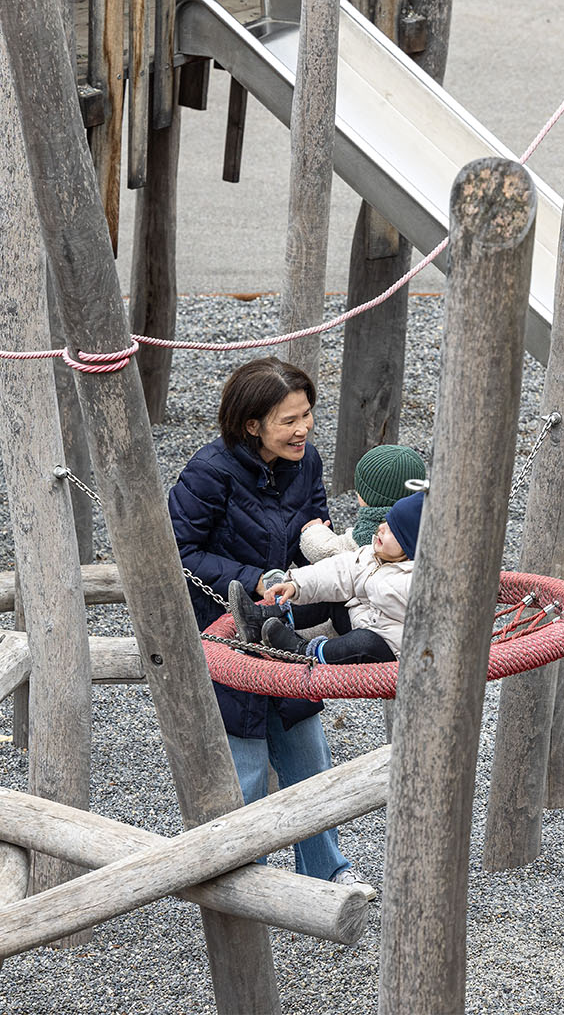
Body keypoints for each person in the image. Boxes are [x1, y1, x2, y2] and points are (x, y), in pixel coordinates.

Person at [168, 356, 367, 888]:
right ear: (251, 424)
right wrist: (255, 577)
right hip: (222, 633)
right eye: (288, 420)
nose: (302, 429)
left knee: (310, 758)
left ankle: (327, 873)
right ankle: (238, 878)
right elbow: (175, 550)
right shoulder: (208, 472)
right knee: (247, 768)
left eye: (306, 416)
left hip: (285, 629)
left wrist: (349, 557)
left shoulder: (307, 462)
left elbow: (313, 533)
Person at [254, 489, 423, 665]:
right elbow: (339, 570)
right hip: (366, 620)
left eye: (392, 530)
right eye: (385, 521)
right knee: (332, 594)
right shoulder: (376, 554)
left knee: (364, 642)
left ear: (411, 548)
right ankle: (265, 618)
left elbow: (377, 587)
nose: (381, 527)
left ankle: (302, 651)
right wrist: (296, 584)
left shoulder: (417, 582)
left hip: (388, 653)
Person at [298, 443, 427, 562]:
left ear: (368, 496)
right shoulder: (418, 527)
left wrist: (312, 531)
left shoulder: (371, 534)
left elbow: (327, 550)